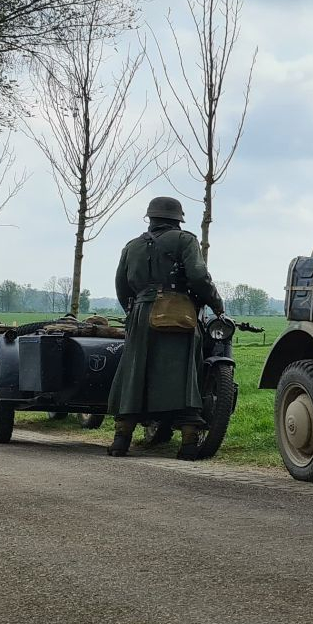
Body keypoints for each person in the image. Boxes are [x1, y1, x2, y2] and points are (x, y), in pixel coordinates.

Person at [106, 196, 226, 460]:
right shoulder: (186, 240)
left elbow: (121, 285)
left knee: (135, 373)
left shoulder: (132, 246)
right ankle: (188, 444)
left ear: (150, 218)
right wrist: (217, 304)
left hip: (140, 312)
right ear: (178, 219)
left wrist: (135, 311)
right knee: (184, 375)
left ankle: (121, 439)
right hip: (179, 313)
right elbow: (198, 275)